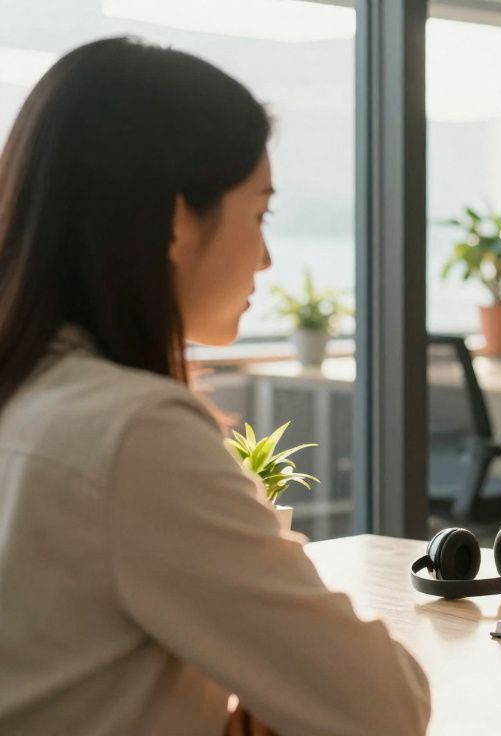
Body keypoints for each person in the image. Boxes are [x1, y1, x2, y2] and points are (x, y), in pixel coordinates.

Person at [0, 39, 429, 735]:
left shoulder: (31, 394)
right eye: (258, 214)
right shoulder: (133, 432)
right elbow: (386, 707)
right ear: (176, 219)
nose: (266, 258)